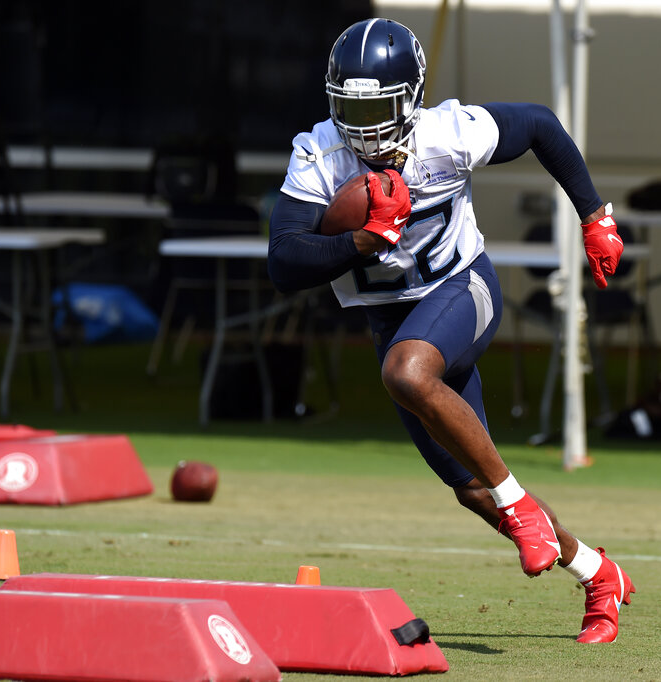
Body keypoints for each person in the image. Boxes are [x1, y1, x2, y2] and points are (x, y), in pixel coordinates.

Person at [267, 17, 633, 644]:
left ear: (409, 98)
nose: (362, 125)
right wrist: (361, 239)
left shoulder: (447, 134)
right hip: (391, 316)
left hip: (464, 289)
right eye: (349, 107)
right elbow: (283, 262)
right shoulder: (320, 154)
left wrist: (593, 214)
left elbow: (541, 125)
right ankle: (599, 574)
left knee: (407, 373)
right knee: (471, 487)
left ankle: (520, 506)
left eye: (377, 106)